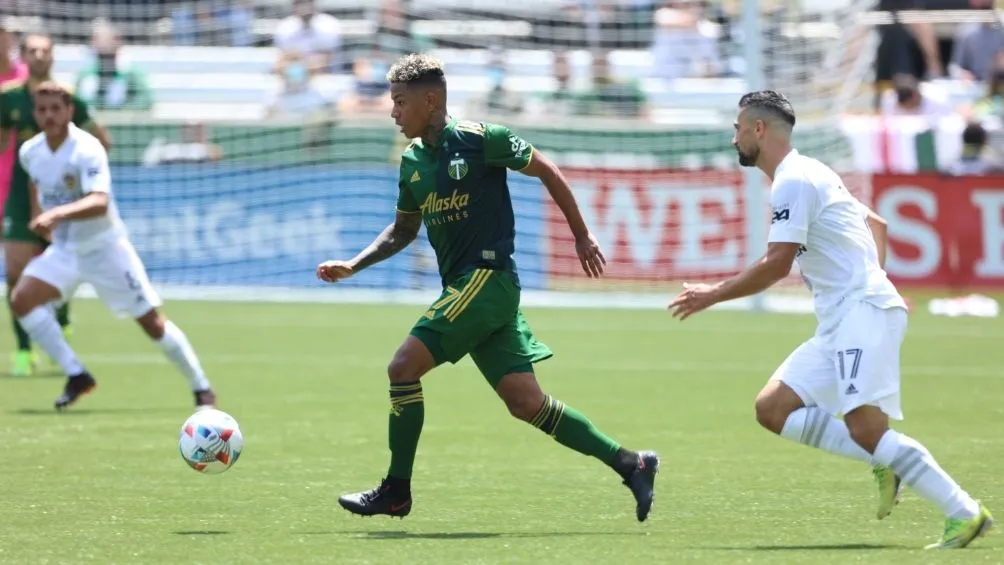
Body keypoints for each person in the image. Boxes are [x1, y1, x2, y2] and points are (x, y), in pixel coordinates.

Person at [316, 53, 659, 521]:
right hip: (471, 291)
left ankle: (396, 491)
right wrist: (354, 265)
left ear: (430, 100)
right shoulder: (412, 161)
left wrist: (581, 235)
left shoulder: (482, 139)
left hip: (487, 279)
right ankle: (632, 464)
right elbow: (403, 231)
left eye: (400, 102)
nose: (393, 112)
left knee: (402, 368)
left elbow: (547, 170)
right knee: (526, 403)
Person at [668, 90, 993, 549]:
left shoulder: (794, 180)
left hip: (861, 314)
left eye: (738, 128)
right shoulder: (811, 172)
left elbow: (777, 264)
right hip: (845, 319)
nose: (733, 138)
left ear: (759, 129)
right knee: (773, 408)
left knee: (867, 428)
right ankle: (881, 457)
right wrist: (867, 281)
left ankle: (964, 512)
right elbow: (877, 224)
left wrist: (713, 294)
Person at [10, 81, 217, 411]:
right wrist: (40, 218)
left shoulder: (86, 148)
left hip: (104, 248)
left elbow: (99, 201)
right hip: (65, 250)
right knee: (22, 299)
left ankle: (201, 387)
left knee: (151, 322)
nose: (49, 116)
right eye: (42, 109)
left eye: (55, 109)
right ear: (34, 113)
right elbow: (37, 185)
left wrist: (56, 214)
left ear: (69, 111)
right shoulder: (30, 152)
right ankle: (77, 374)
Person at [1, 32, 112, 377]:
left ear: (53, 55)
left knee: (62, 269)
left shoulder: (69, 97)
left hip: (62, 196)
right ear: (23, 55)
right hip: (20, 196)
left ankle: (60, 323)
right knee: (16, 273)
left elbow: (101, 140)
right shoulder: (9, 98)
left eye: (44, 50)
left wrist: (86, 176)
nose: (38, 55)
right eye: (32, 50)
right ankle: (23, 350)